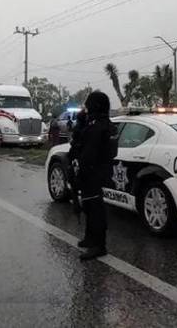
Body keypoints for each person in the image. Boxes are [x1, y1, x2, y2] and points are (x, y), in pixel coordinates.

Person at [77, 92, 118, 261]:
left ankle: (99, 245)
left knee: (95, 208)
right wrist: (81, 122)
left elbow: (89, 150)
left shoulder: (99, 126)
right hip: (95, 170)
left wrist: (83, 170)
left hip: (94, 171)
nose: (86, 108)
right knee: (88, 204)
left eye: (89, 105)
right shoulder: (100, 123)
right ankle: (89, 237)